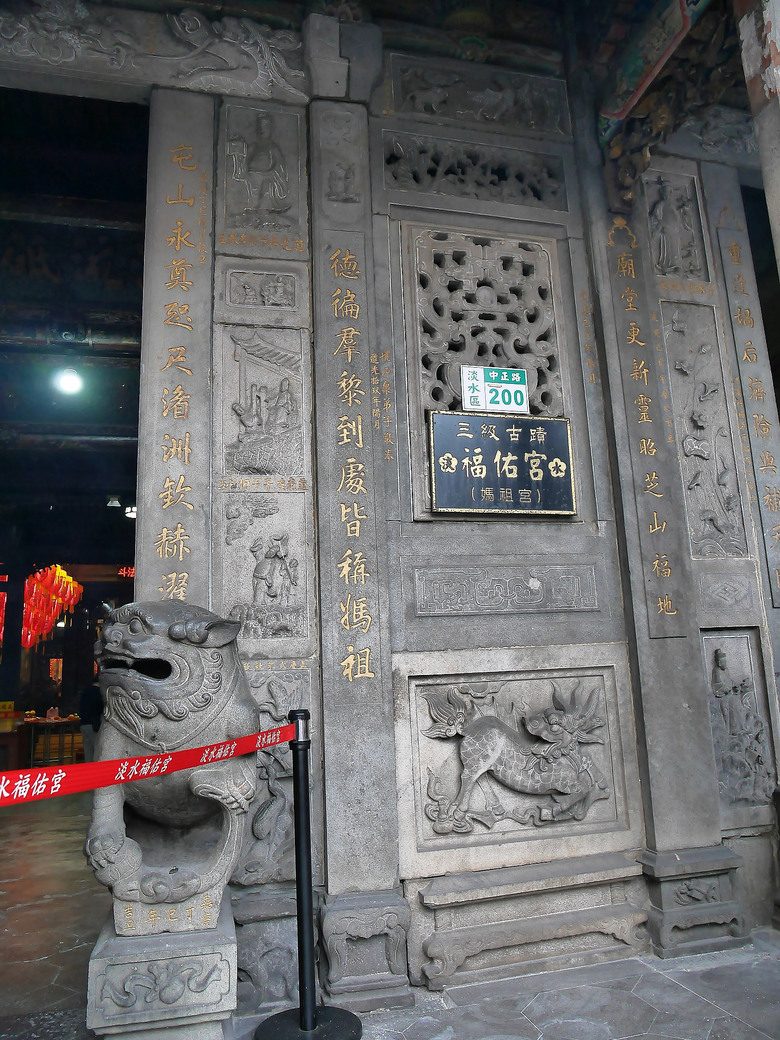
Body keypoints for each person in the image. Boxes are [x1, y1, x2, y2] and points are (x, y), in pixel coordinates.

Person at [79, 680, 103, 763]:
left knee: (87, 752)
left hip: (84, 725)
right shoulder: (99, 693)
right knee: (96, 752)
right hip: (94, 726)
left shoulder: (85, 692)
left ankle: (89, 772)